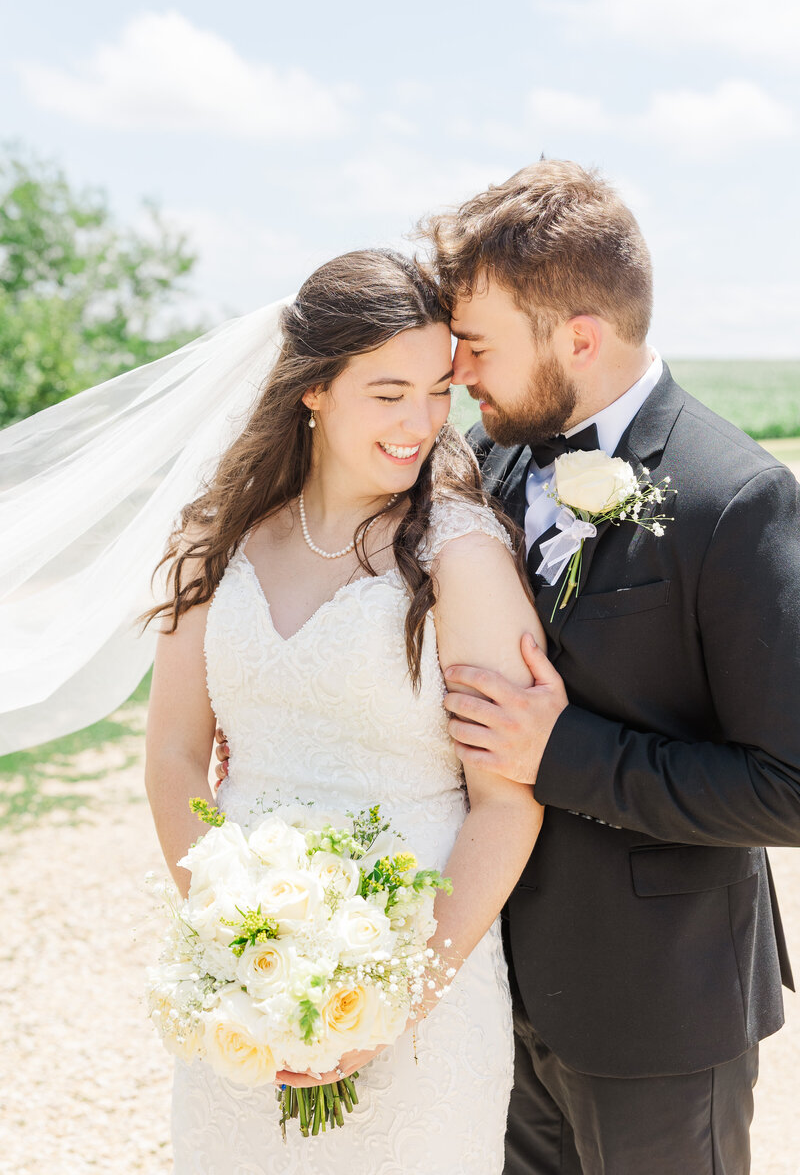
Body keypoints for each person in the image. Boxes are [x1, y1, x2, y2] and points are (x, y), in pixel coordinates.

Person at [413, 158, 800, 1174]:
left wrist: (560, 752)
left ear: (577, 338)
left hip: (656, 1011)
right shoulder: (489, 462)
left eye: (476, 345)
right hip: (490, 989)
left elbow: (789, 789)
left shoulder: (734, 499)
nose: (456, 374)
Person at [144, 249, 545, 1173]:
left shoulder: (460, 556)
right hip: (245, 994)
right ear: (313, 389)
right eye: (389, 393)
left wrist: (396, 998)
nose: (422, 424)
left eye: (439, 391)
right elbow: (172, 757)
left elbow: (506, 802)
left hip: (420, 995)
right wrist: (239, 950)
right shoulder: (220, 541)